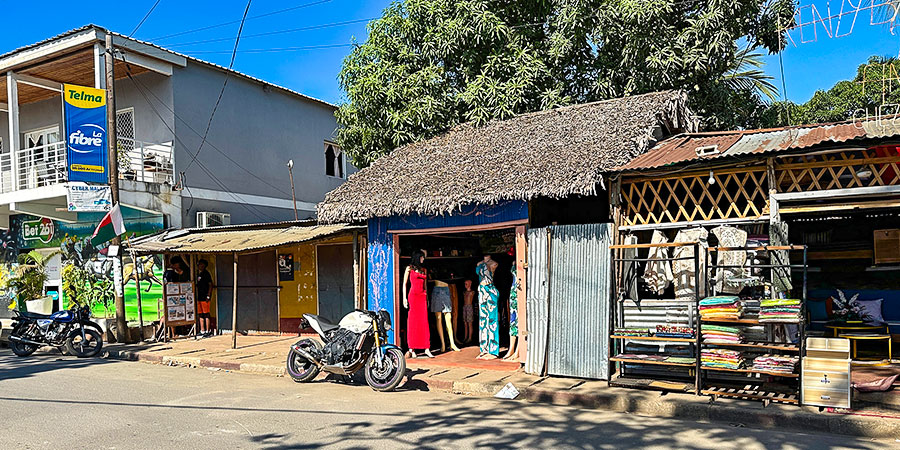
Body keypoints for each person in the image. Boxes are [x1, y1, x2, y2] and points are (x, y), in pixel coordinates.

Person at [403, 251, 433, 358]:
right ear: (418, 257)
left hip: (422, 296)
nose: (423, 260)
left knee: (424, 321)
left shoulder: (424, 270)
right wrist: (404, 298)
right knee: (413, 321)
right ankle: (412, 348)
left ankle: (426, 347)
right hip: (413, 296)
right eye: (422, 257)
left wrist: (427, 298)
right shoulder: (409, 269)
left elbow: (425, 286)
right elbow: (404, 284)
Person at [196, 259, 216, 337]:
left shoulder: (206, 274)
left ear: (203, 265)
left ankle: (208, 330)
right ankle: (202, 330)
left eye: (200, 264)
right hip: (199, 297)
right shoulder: (199, 274)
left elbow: (210, 285)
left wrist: (208, 295)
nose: (198, 266)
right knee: (200, 314)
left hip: (205, 297)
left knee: (206, 314)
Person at [462, 279, 475, 344]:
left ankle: (470, 337)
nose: (465, 285)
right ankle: (465, 336)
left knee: (469, 323)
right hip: (465, 307)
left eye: (466, 284)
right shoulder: (464, 292)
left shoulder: (472, 292)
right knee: (465, 322)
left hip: (469, 307)